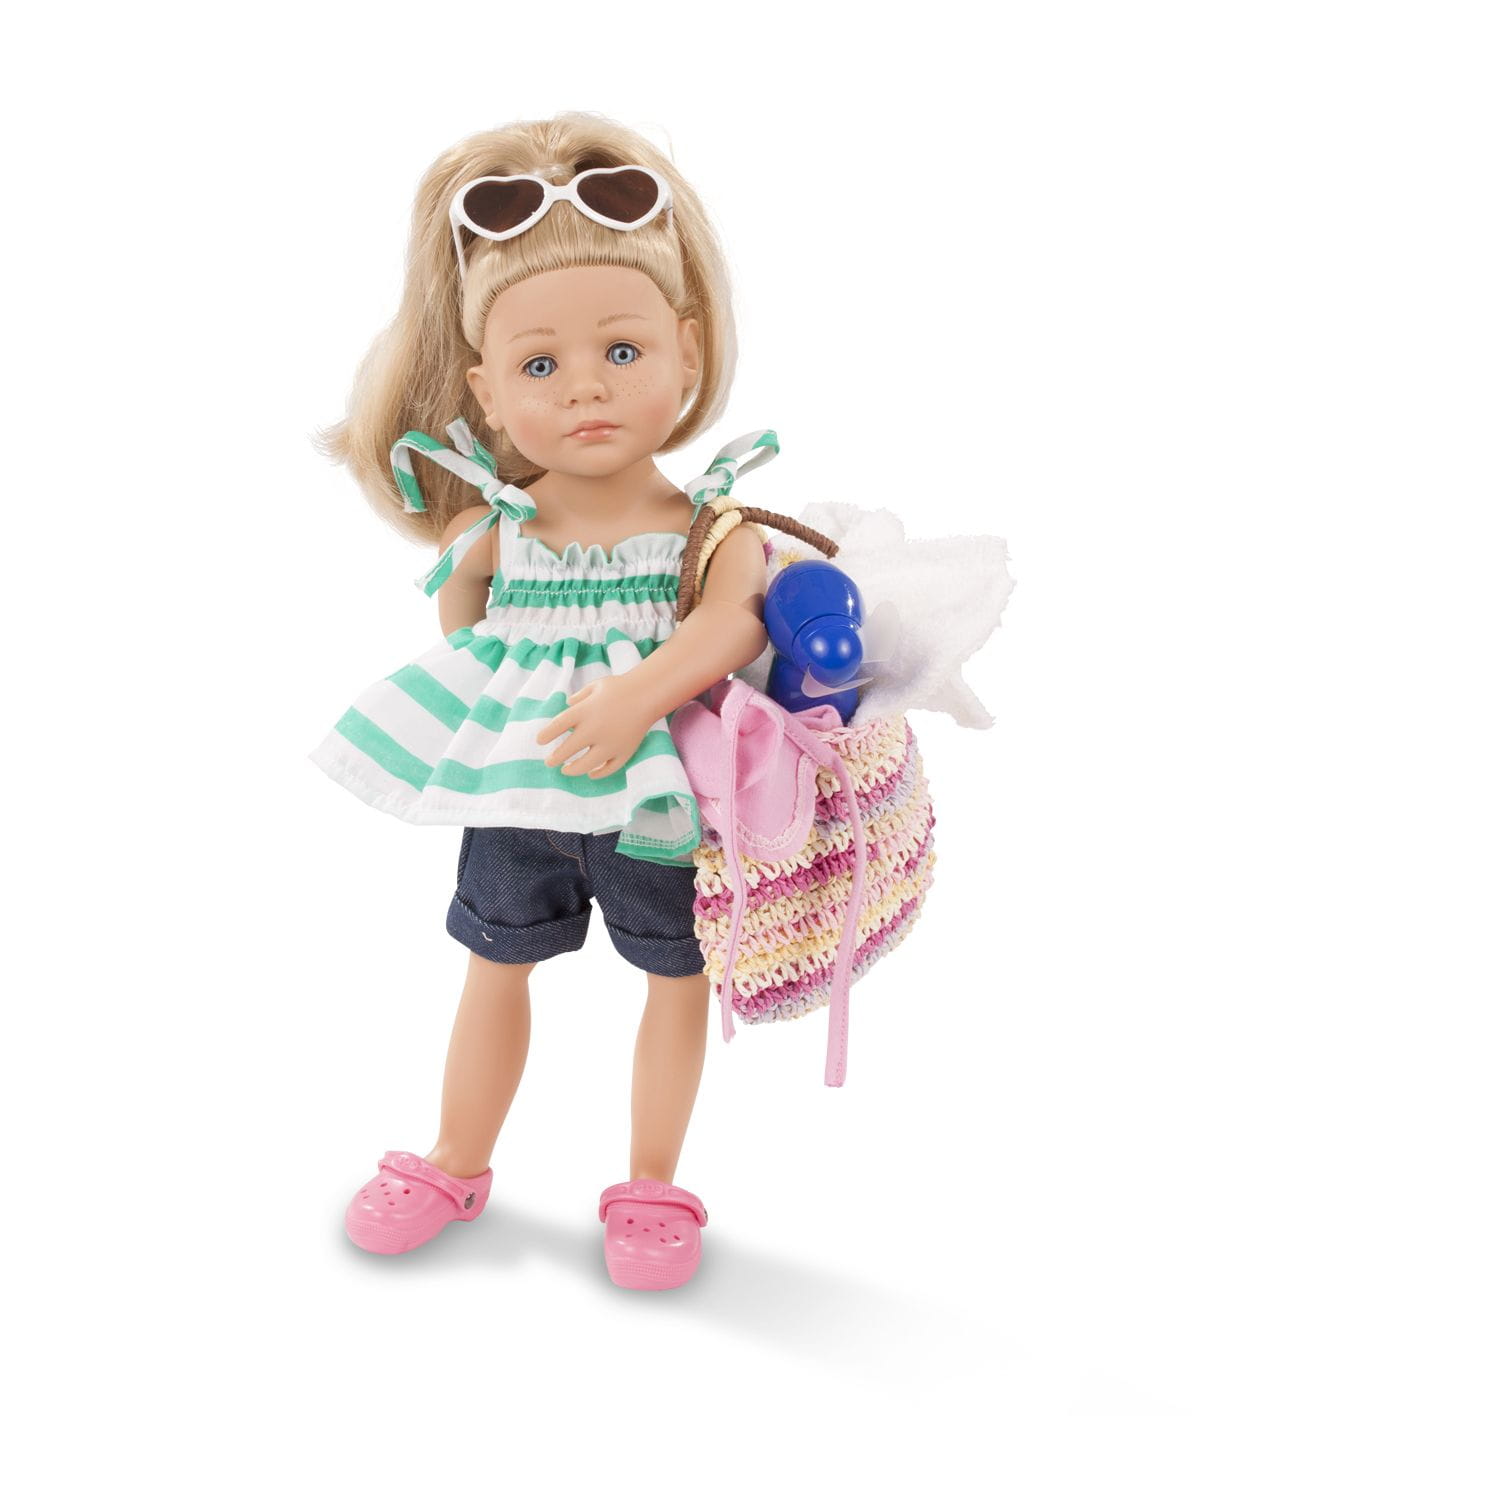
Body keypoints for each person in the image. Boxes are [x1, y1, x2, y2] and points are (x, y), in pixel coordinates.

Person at [309, 112, 770, 1290]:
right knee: (492, 963)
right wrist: (502, 663)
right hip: (519, 792)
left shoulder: (710, 528)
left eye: (622, 351)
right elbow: (471, 642)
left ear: (685, 350)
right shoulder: (495, 529)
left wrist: (636, 697)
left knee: (675, 976)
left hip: (658, 800)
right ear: (486, 389)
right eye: (539, 367)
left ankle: (653, 1185)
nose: (586, 390)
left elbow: (734, 623)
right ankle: (456, 1158)